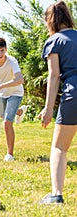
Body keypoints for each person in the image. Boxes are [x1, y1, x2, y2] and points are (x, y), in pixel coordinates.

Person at [38, 1, 77, 204]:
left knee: (60, 147)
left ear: (50, 20)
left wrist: (47, 109)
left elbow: (53, 76)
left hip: (73, 93)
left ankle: (56, 195)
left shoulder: (54, 41)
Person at [0, 36, 26, 161]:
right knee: (3, 117)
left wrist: (0, 85)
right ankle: (19, 111)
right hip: (2, 93)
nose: (0, 53)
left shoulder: (12, 61)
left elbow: (20, 80)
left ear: (6, 50)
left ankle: (10, 154)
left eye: (2, 50)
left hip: (15, 93)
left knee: (7, 123)